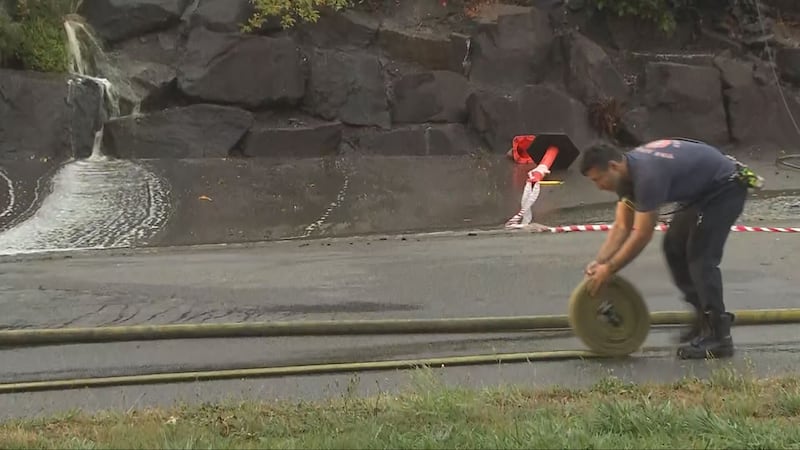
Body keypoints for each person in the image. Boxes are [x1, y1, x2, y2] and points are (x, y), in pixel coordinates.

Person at [578, 138, 760, 360]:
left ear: (613, 166)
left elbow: (642, 234)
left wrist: (611, 268)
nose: (598, 187)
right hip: (699, 194)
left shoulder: (647, 177)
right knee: (673, 246)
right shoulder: (627, 175)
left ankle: (718, 336)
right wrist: (600, 262)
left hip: (725, 188)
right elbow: (622, 226)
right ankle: (702, 319)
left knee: (701, 258)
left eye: (599, 179)